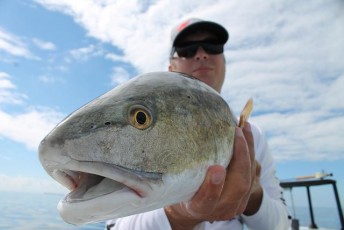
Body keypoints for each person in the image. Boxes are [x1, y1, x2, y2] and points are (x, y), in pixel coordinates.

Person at [106, 18, 291, 230]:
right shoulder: (136, 138)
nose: (201, 54)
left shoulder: (252, 135)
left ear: (224, 62)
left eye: (213, 46)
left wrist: (253, 192)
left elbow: (282, 224)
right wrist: (180, 215)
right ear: (171, 69)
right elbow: (115, 226)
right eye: (187, 50)